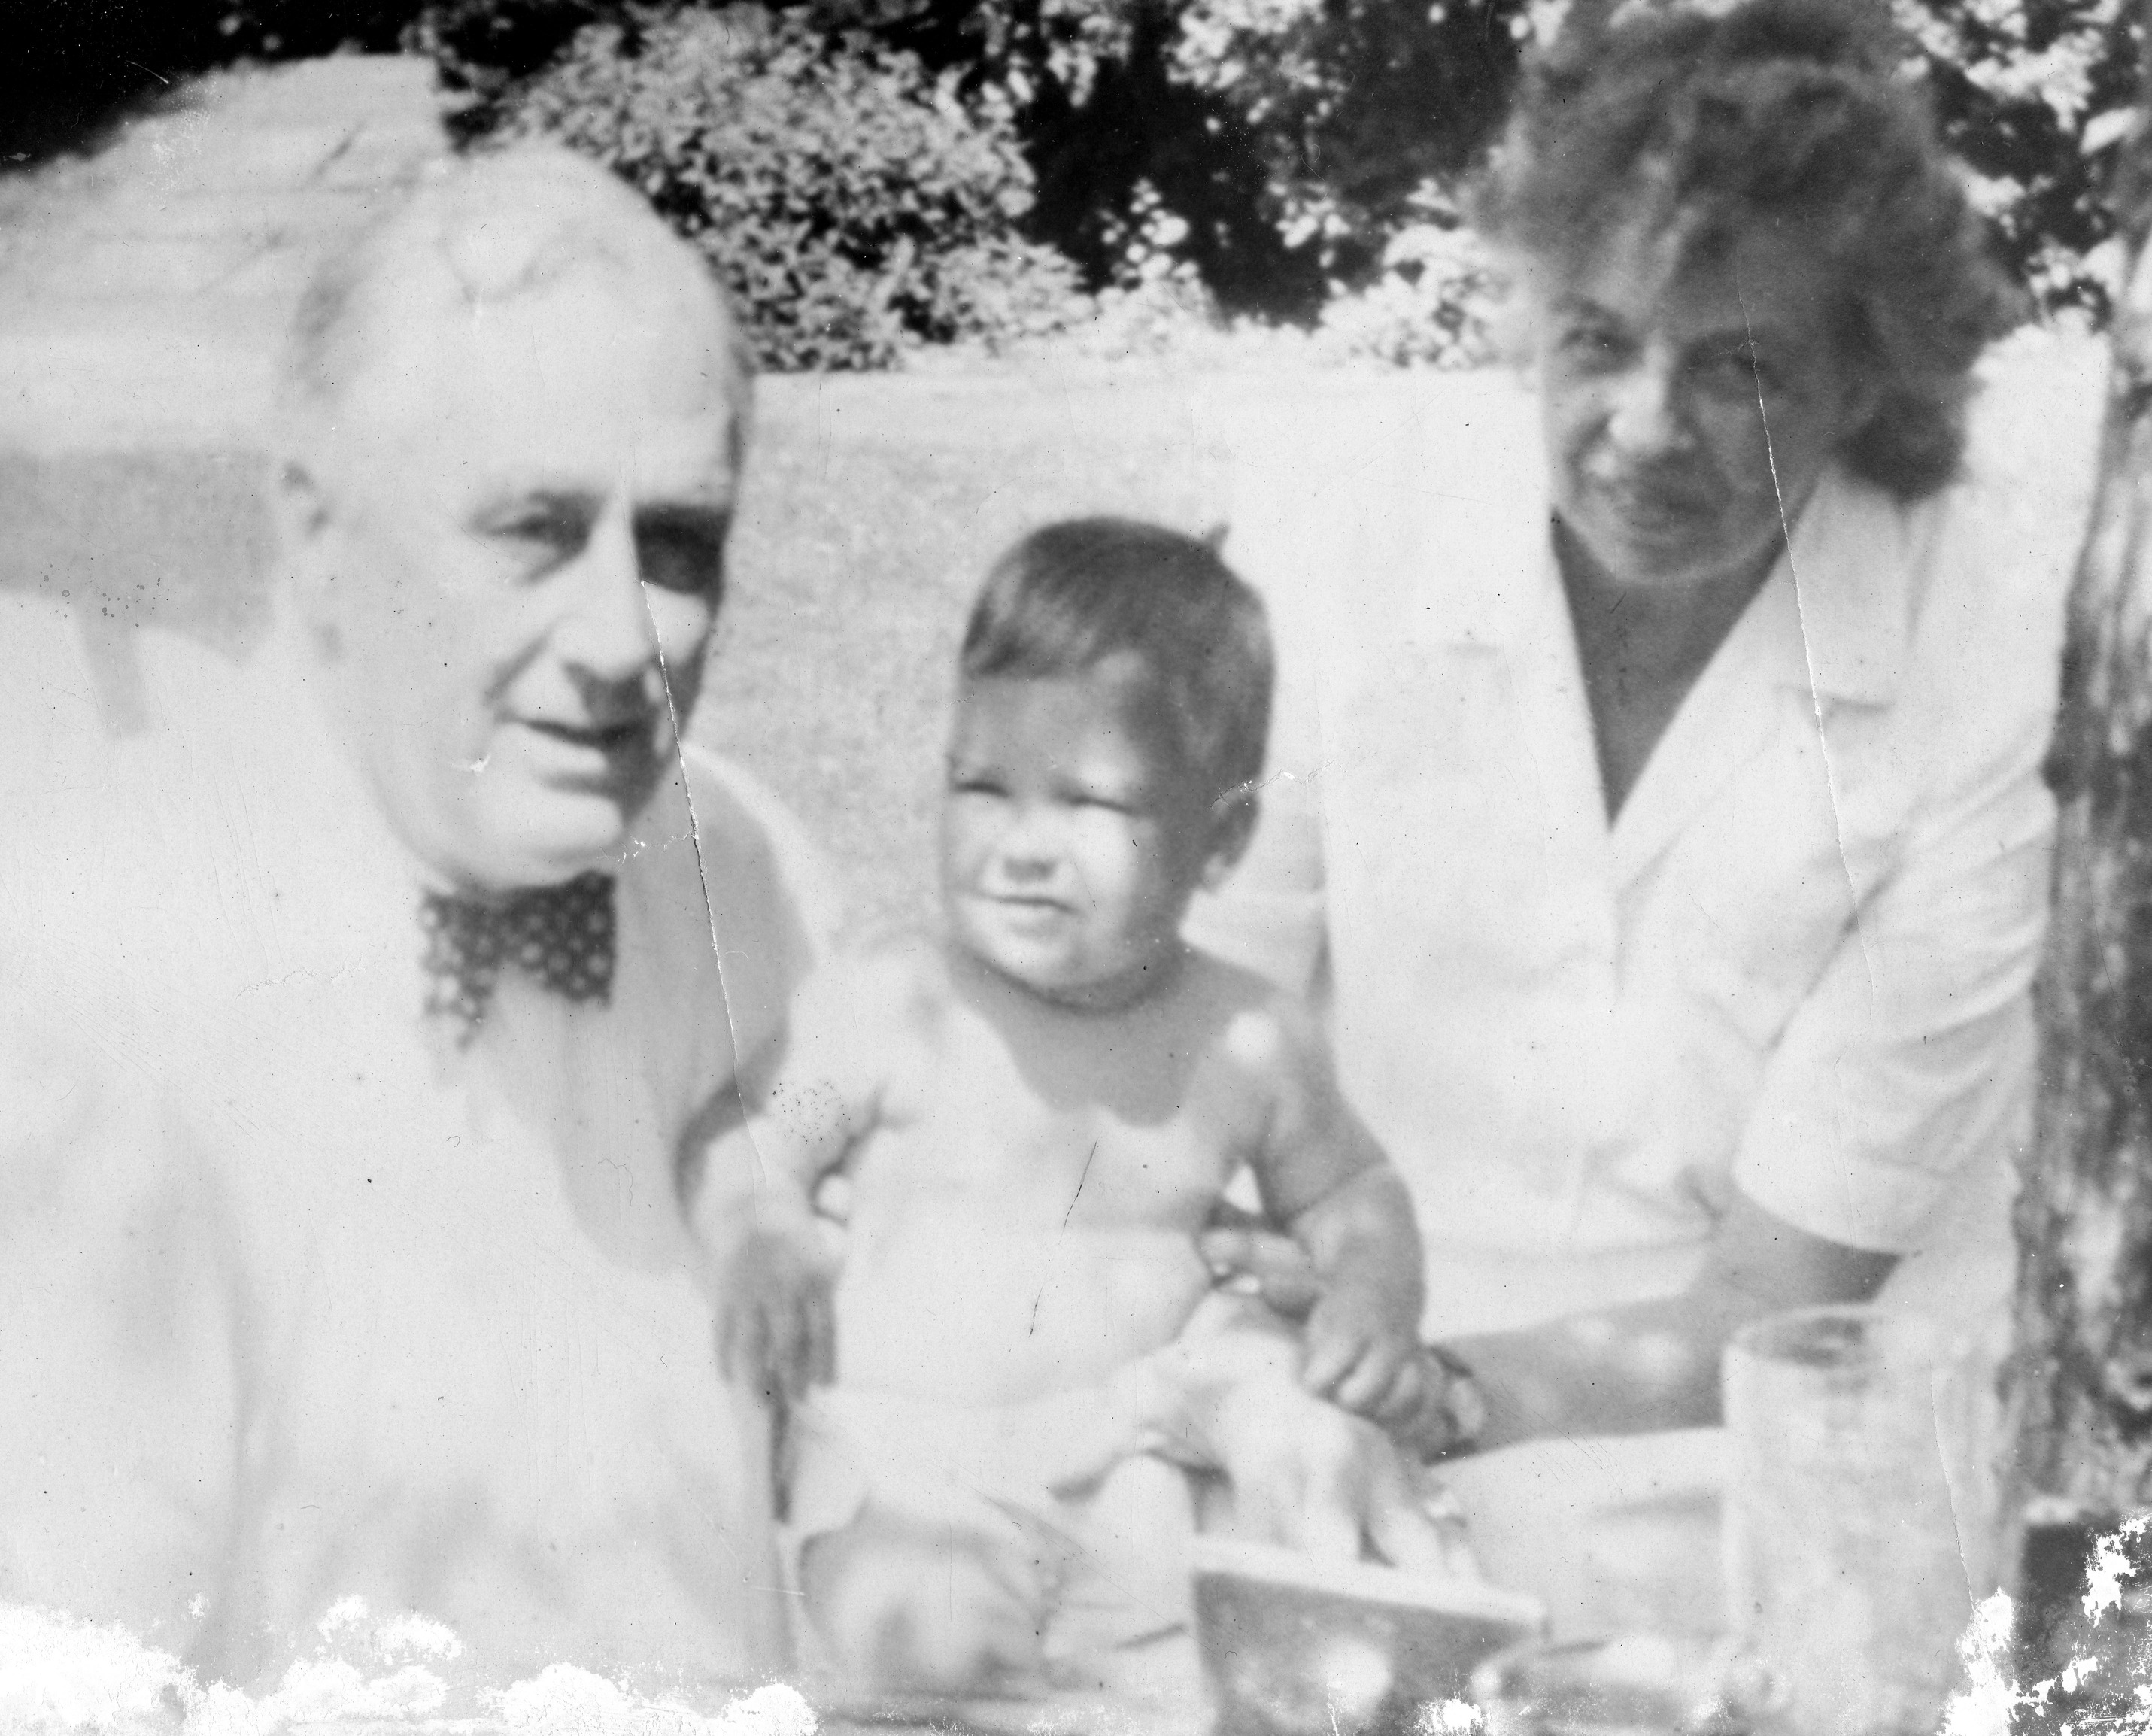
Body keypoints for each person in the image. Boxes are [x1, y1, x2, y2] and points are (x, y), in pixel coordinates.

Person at [1186, 0, 2095, 1631]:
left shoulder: (1984, 664)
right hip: (1329, 1388)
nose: (1646, 430)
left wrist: (1414, 1401)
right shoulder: (1345, 537)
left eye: (1740, 366)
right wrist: (1267, 1390)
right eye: (1599, 340)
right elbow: (1177, 1055)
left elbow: (1780, 1295)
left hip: (1764, 1469)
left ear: (1870, 373)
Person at [0, 147, 840, 1694]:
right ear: (319, 537)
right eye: (534, 529)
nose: (619, 640)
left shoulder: (739, 861)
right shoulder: (85, 984)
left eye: (677, 544)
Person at [694, 520, 1439, 1695]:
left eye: (1089, 804)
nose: (1025, 847)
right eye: (983, 787)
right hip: (907, 1469)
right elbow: (742, 1143)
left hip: (1139, 1454)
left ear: (1224, 837)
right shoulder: (894, 1006)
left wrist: (1371, 1299)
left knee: (1249, 1646)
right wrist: (766, 1224)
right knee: (931, 1643)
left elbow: (1352, 1190)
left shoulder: (1242, 1036)